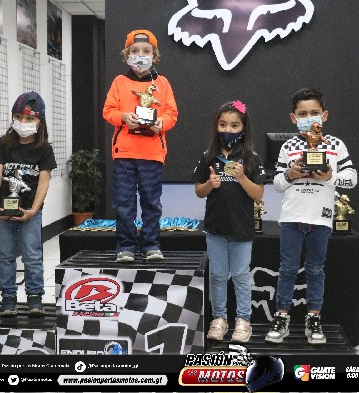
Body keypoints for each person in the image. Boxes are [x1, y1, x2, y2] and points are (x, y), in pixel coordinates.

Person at [266, 88, 357, 344]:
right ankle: (281, 316)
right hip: (291, 217)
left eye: (314, 112)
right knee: (287, 269)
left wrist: (330, 177)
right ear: (293, 118)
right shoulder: (288, 147)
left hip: (321, 218)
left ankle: (313, 318)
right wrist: (290, 175)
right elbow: (277, 184)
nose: (309, 118)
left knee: (316, 270)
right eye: (303, 114)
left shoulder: (336, 145)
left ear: (324, 115)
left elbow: (352, 179)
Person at [193, 100, 266, 343]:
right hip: (215, 229)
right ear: (216, 127)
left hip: (241, 229)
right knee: (217, 275)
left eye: (234, 125)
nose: (228, 130)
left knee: (241, 276)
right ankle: (219, 318)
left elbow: (258, 194)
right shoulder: (208, 157)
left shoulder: (251, 158)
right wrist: (209, 184)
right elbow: (199, 191)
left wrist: (242, 178)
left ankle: (243, 320)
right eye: (223, 124)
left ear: (243, 128)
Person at [103, 29, 178, 263]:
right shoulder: (119, 82)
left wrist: (161, 123)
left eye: (146, 51)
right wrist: (124, 117)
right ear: (127, 56)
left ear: (155, 56)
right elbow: (108, 111)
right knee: (124, 202)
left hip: (152, 153)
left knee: (151, 203)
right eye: (135, 51)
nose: (140, 55)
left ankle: (151, 245)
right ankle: (125, 246)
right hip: (124, 153)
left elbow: (172, 114)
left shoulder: (163, 84)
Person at [0, 92, 57, 317]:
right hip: (4, 210)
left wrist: (34, 209)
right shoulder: (3, 144)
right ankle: (8, 298)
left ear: (39, 121)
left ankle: (35, 298)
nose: (23, 122)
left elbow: (44, 181)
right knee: (5, 254)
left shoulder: (44, 149)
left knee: (32, 255)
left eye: (29, 118)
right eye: (18, 117)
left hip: (30, 211)